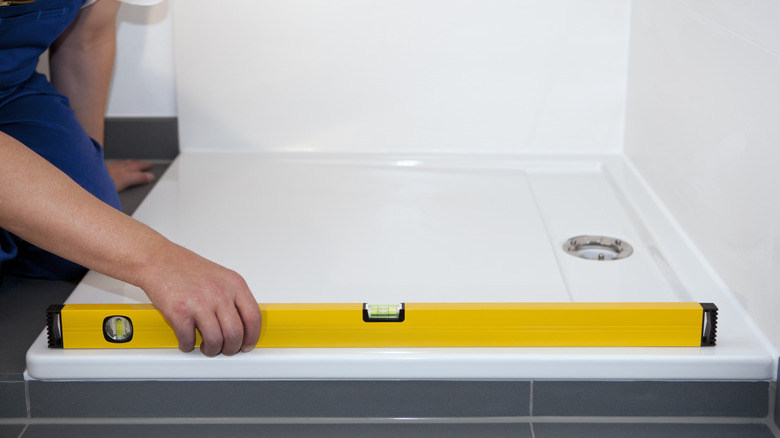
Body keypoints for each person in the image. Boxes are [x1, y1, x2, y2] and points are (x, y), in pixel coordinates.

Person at [0, 0, 261, 356]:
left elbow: (87, 39)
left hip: (8, 90)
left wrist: (90, 170)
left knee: (81, 247)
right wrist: (160, 261)